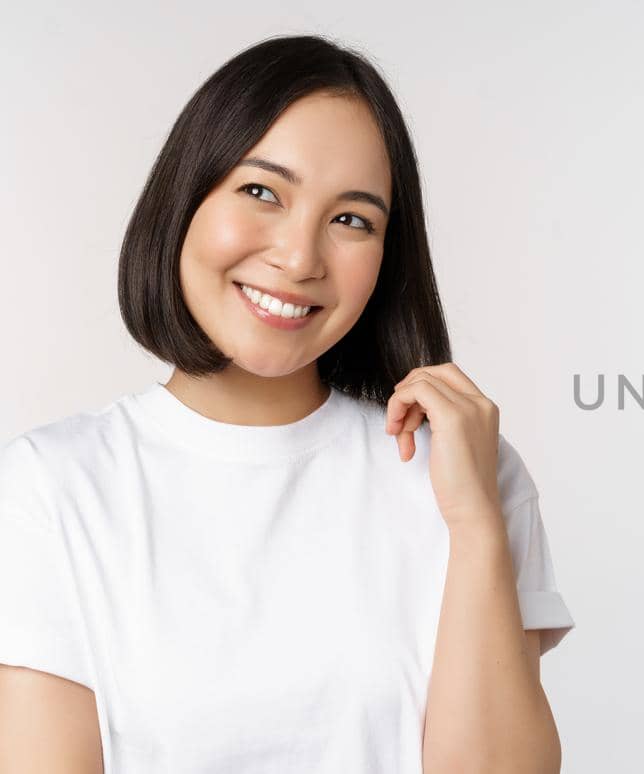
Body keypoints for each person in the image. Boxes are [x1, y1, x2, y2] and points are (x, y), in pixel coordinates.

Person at [0, 34, 575, 772]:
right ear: (187, 197)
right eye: (262, 191)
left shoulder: (470, 473)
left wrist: (474, 525)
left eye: (352, 219)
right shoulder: (49, 489)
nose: (300, 258)